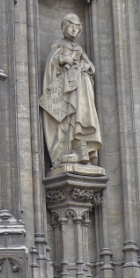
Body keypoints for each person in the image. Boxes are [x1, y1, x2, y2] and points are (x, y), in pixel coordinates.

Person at [40, 13, 102, 167]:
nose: (75, 30)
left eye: (77, 28)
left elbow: (91, 66)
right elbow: (51, 62)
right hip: (66, 89)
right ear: (65, 26)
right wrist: (62, 59)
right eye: (72, 27)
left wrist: (86, 66)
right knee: (69, 118)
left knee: (81, 113)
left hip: (81, 87)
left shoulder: (79, 48)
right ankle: (67, 150)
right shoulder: (59, 44)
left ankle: (82, 148)